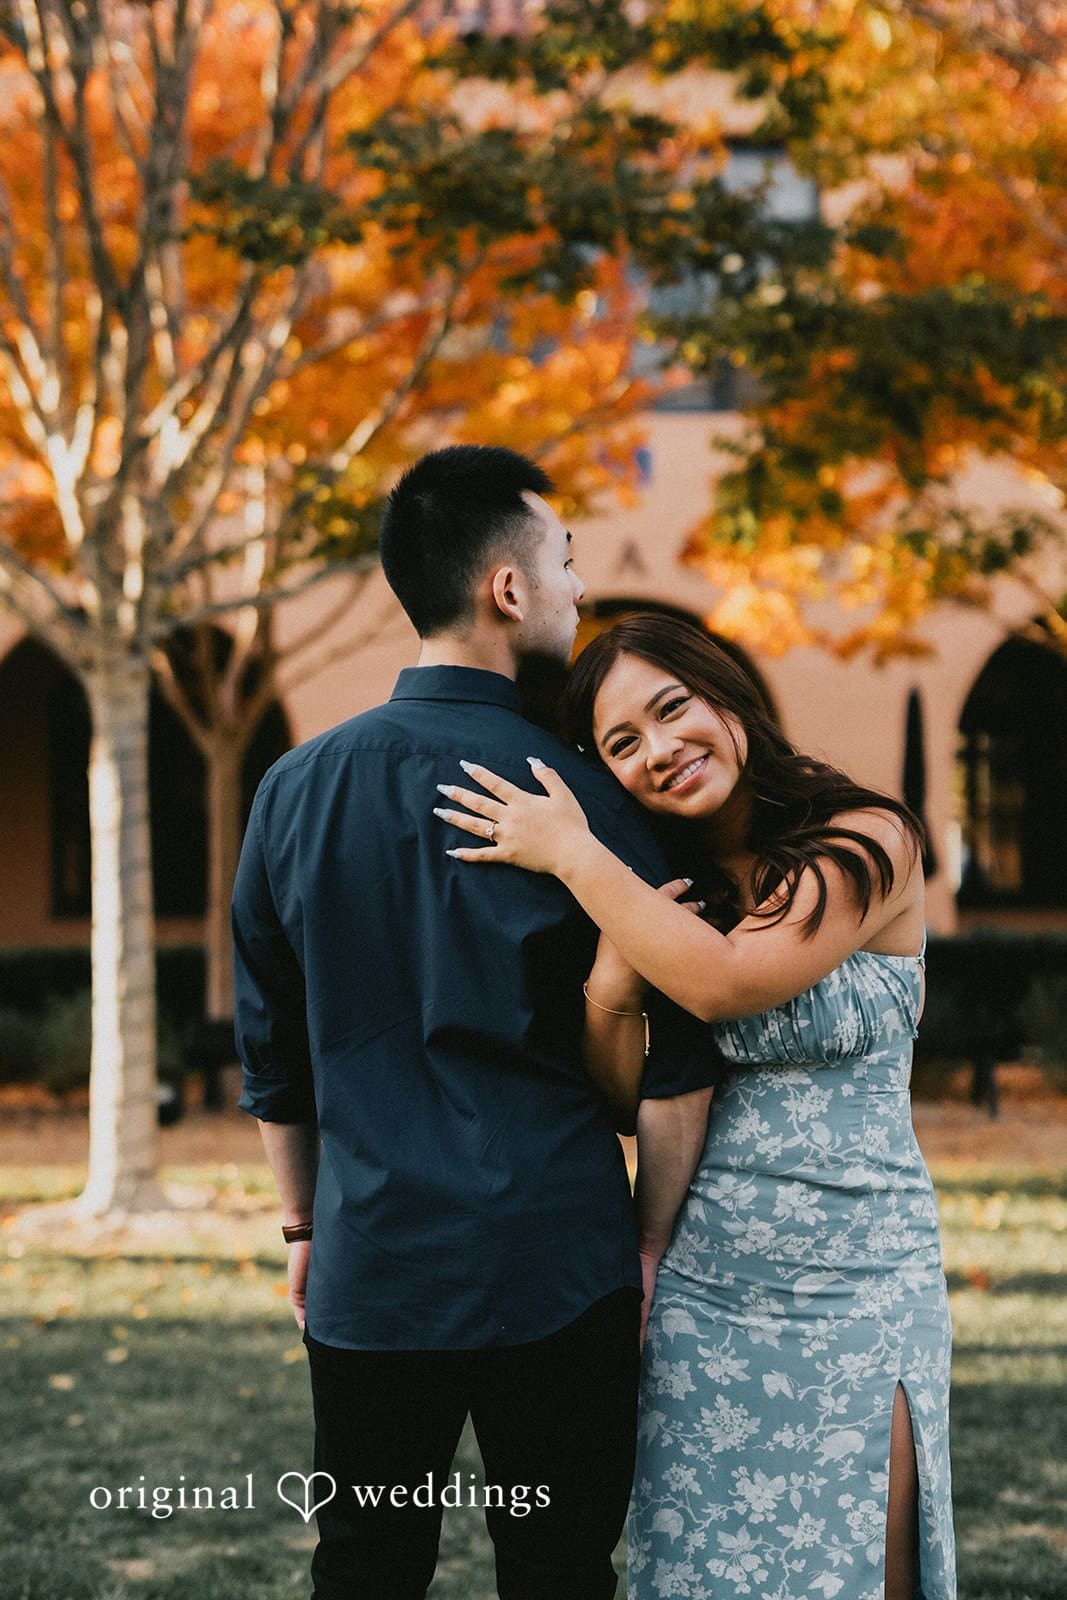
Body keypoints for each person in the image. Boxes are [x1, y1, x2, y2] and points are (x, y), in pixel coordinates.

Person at [231, 453, 723, 1600]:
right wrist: (647, 1247)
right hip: (558, 1264)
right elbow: (676, 1059)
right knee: (557, 1565)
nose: (577, 587)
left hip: (373, 1265)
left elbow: (273, 1053)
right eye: (562, 560)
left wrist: (305, 1230)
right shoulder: (593, 798)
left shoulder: (293, 790)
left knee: (363, 1562)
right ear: (506, 590)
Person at [434, 610, 957, 1600]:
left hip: (862, 1280)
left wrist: (574, 856)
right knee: (703, 1572)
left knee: (862, 1564)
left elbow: (723, 984)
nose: (660, 751)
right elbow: (624, 1091)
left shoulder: (867, 836)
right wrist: (613, 974)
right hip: (707, 1283)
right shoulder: (672, 893)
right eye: (621, 744)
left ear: (725, 694)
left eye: (672, 709)